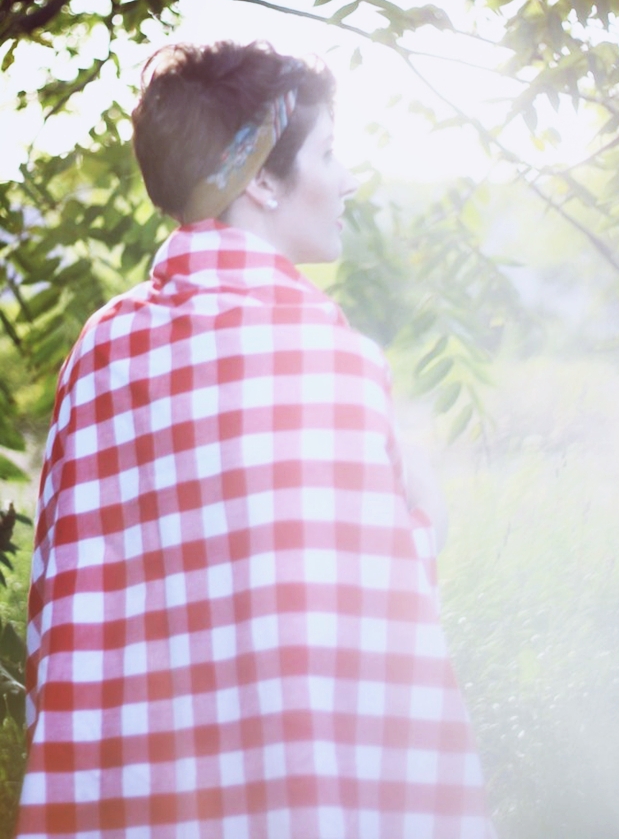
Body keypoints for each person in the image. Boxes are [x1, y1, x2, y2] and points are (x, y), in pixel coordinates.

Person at [16, 41, 494, 838]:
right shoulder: (330, 359)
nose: (348, 179)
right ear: (263, 179)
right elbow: (378, 623)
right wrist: (427, 502)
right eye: (330, 152)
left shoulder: (101, 350)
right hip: (291, 800)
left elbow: (61, 616)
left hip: (129, 804)